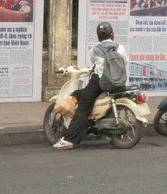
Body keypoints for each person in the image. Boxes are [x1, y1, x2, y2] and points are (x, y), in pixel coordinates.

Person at [53, 22, 127, 150]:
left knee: (82, 108)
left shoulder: (95, 50)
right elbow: (125, 62)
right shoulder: (120, 48)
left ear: (99, 37)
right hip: (118, 83)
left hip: (100, 82)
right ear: (112, 35)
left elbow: (95, 63)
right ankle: (113, 133)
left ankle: (69, 140)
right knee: (83, 94)